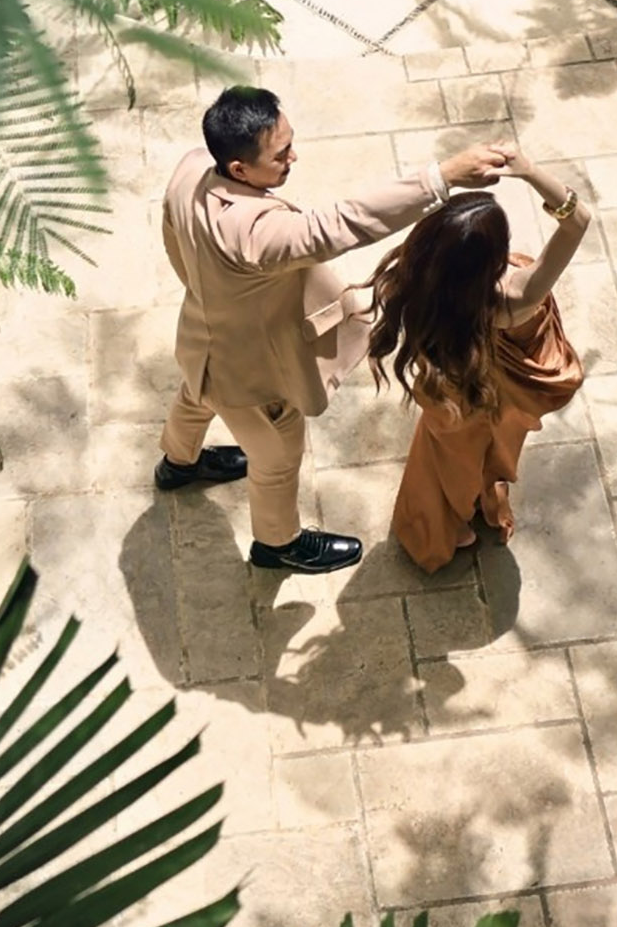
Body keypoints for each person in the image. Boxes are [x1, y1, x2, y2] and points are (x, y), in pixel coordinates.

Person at [156, 85, 511, 574]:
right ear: (239, 169)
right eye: (281, 154)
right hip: (248, 373)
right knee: (278, 455)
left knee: (196, 393)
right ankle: (277, 544)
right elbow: (342, 223)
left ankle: (177, 463)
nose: (293, 157)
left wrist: (210, 294)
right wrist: (442, 177)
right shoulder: (256, 234)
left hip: (200, 336)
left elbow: (173, 239)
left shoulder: (191, 168)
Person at [366, 149, 592, 572]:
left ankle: (452, 520)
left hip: (453, 386)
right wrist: (529, 172)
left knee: (449, 454)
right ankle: (461, 515)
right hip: (499, 389)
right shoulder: (516, 295)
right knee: (486, 447)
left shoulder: (422, 276)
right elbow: (577, 220)